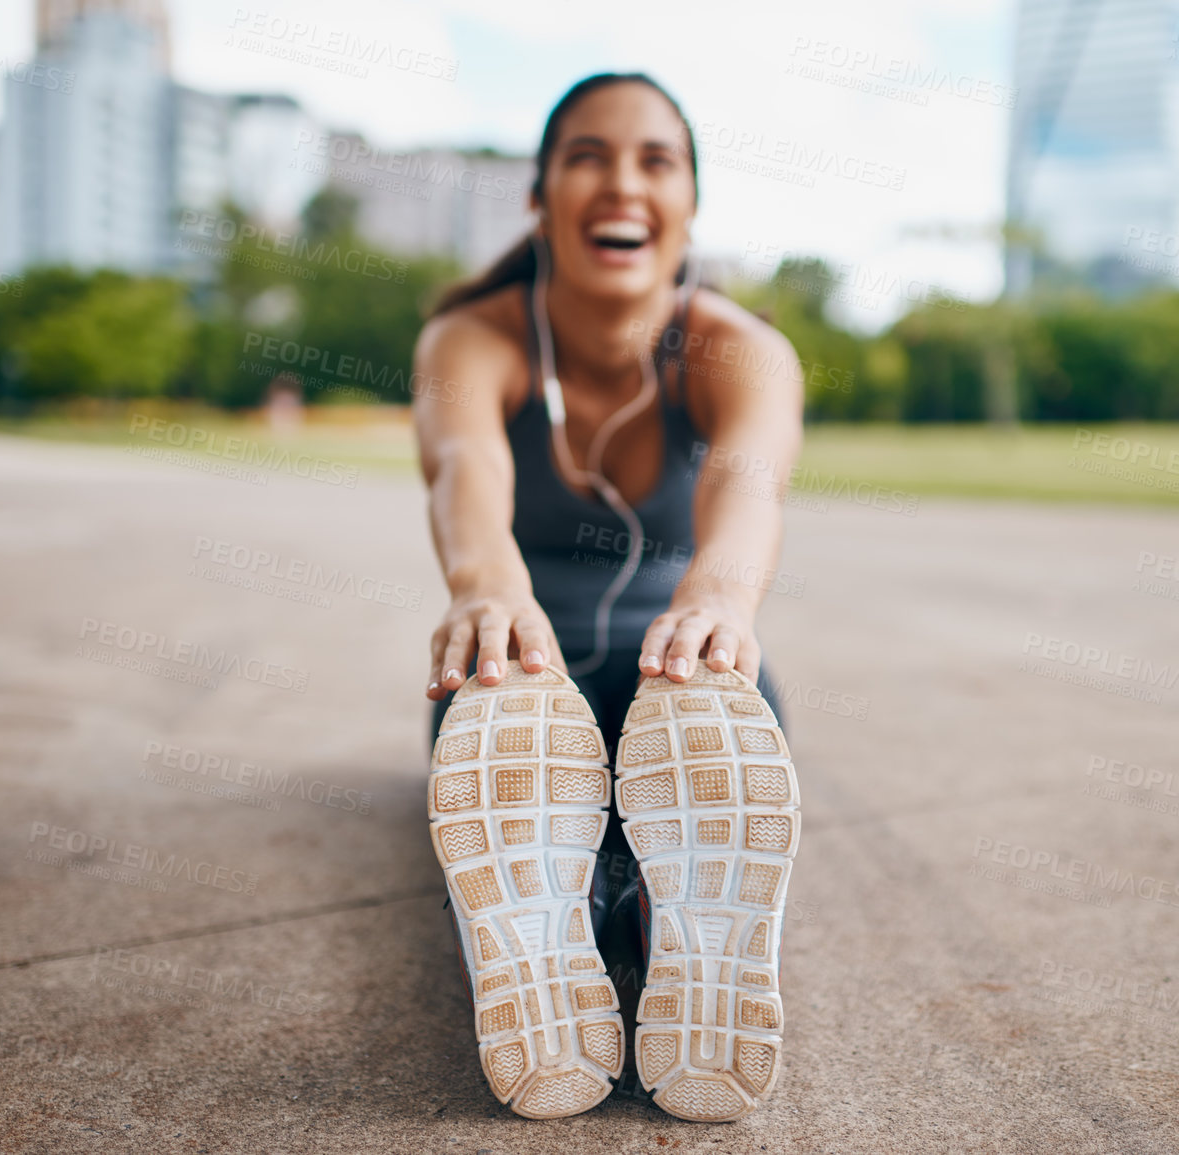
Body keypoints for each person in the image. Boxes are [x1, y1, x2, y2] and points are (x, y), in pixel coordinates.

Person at [412, 73, 804, 1119]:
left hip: (680, 665)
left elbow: (748, 488)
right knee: (505, 726)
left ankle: (648, 930)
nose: (619, 183)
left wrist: (720, 602)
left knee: (711, 721)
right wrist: (486, 590)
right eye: (586, 156)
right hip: (521, 659)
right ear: (539, 197)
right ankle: (583, 929)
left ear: (689, 203)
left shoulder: (742, 351)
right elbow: (465, 470)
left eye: (653, 160)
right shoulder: (472, 340)